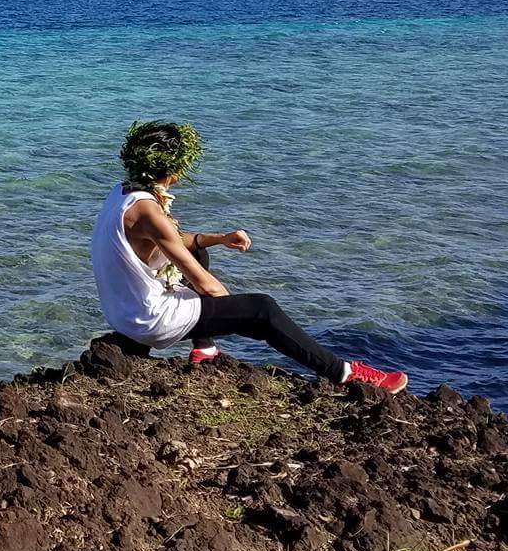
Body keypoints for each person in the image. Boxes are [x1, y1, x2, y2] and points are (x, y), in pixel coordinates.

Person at [91, 120, 408, 393]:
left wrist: (219, 239)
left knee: (198, 250)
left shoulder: (124, 193)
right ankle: (346, 374)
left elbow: (170, 242)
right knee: (263, 309)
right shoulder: (149, 209)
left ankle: (204, 349)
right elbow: (204, 283)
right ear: (175, 168)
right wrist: (231, 311)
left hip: (124, 313)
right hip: (147, 320)